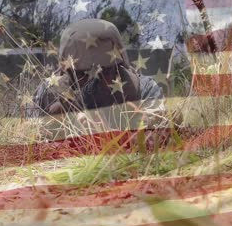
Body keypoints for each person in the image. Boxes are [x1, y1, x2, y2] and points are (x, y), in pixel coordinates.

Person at [26, 19, 169, 146]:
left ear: (119, 63)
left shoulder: (142, 89)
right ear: (66, 69)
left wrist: (111, 136)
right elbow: (30, 140)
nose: (93, 81)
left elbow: (160, 136)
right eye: (82, 73)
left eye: (104, 71)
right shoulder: (49, 92)